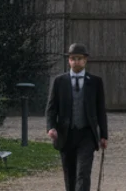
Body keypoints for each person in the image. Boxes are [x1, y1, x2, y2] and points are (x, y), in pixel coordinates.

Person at [46, 43, 109, 191]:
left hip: (86, 133)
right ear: (69, 60)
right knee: (70, 174)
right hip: (66, 134)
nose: (76, 62)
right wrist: (51, 127)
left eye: (79, 58)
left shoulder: (95, 82)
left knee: (83, 172)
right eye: (73, 58)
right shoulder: (59, 81)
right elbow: (51, 108)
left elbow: (101, 110)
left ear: (85, 60)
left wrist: (104, 135)